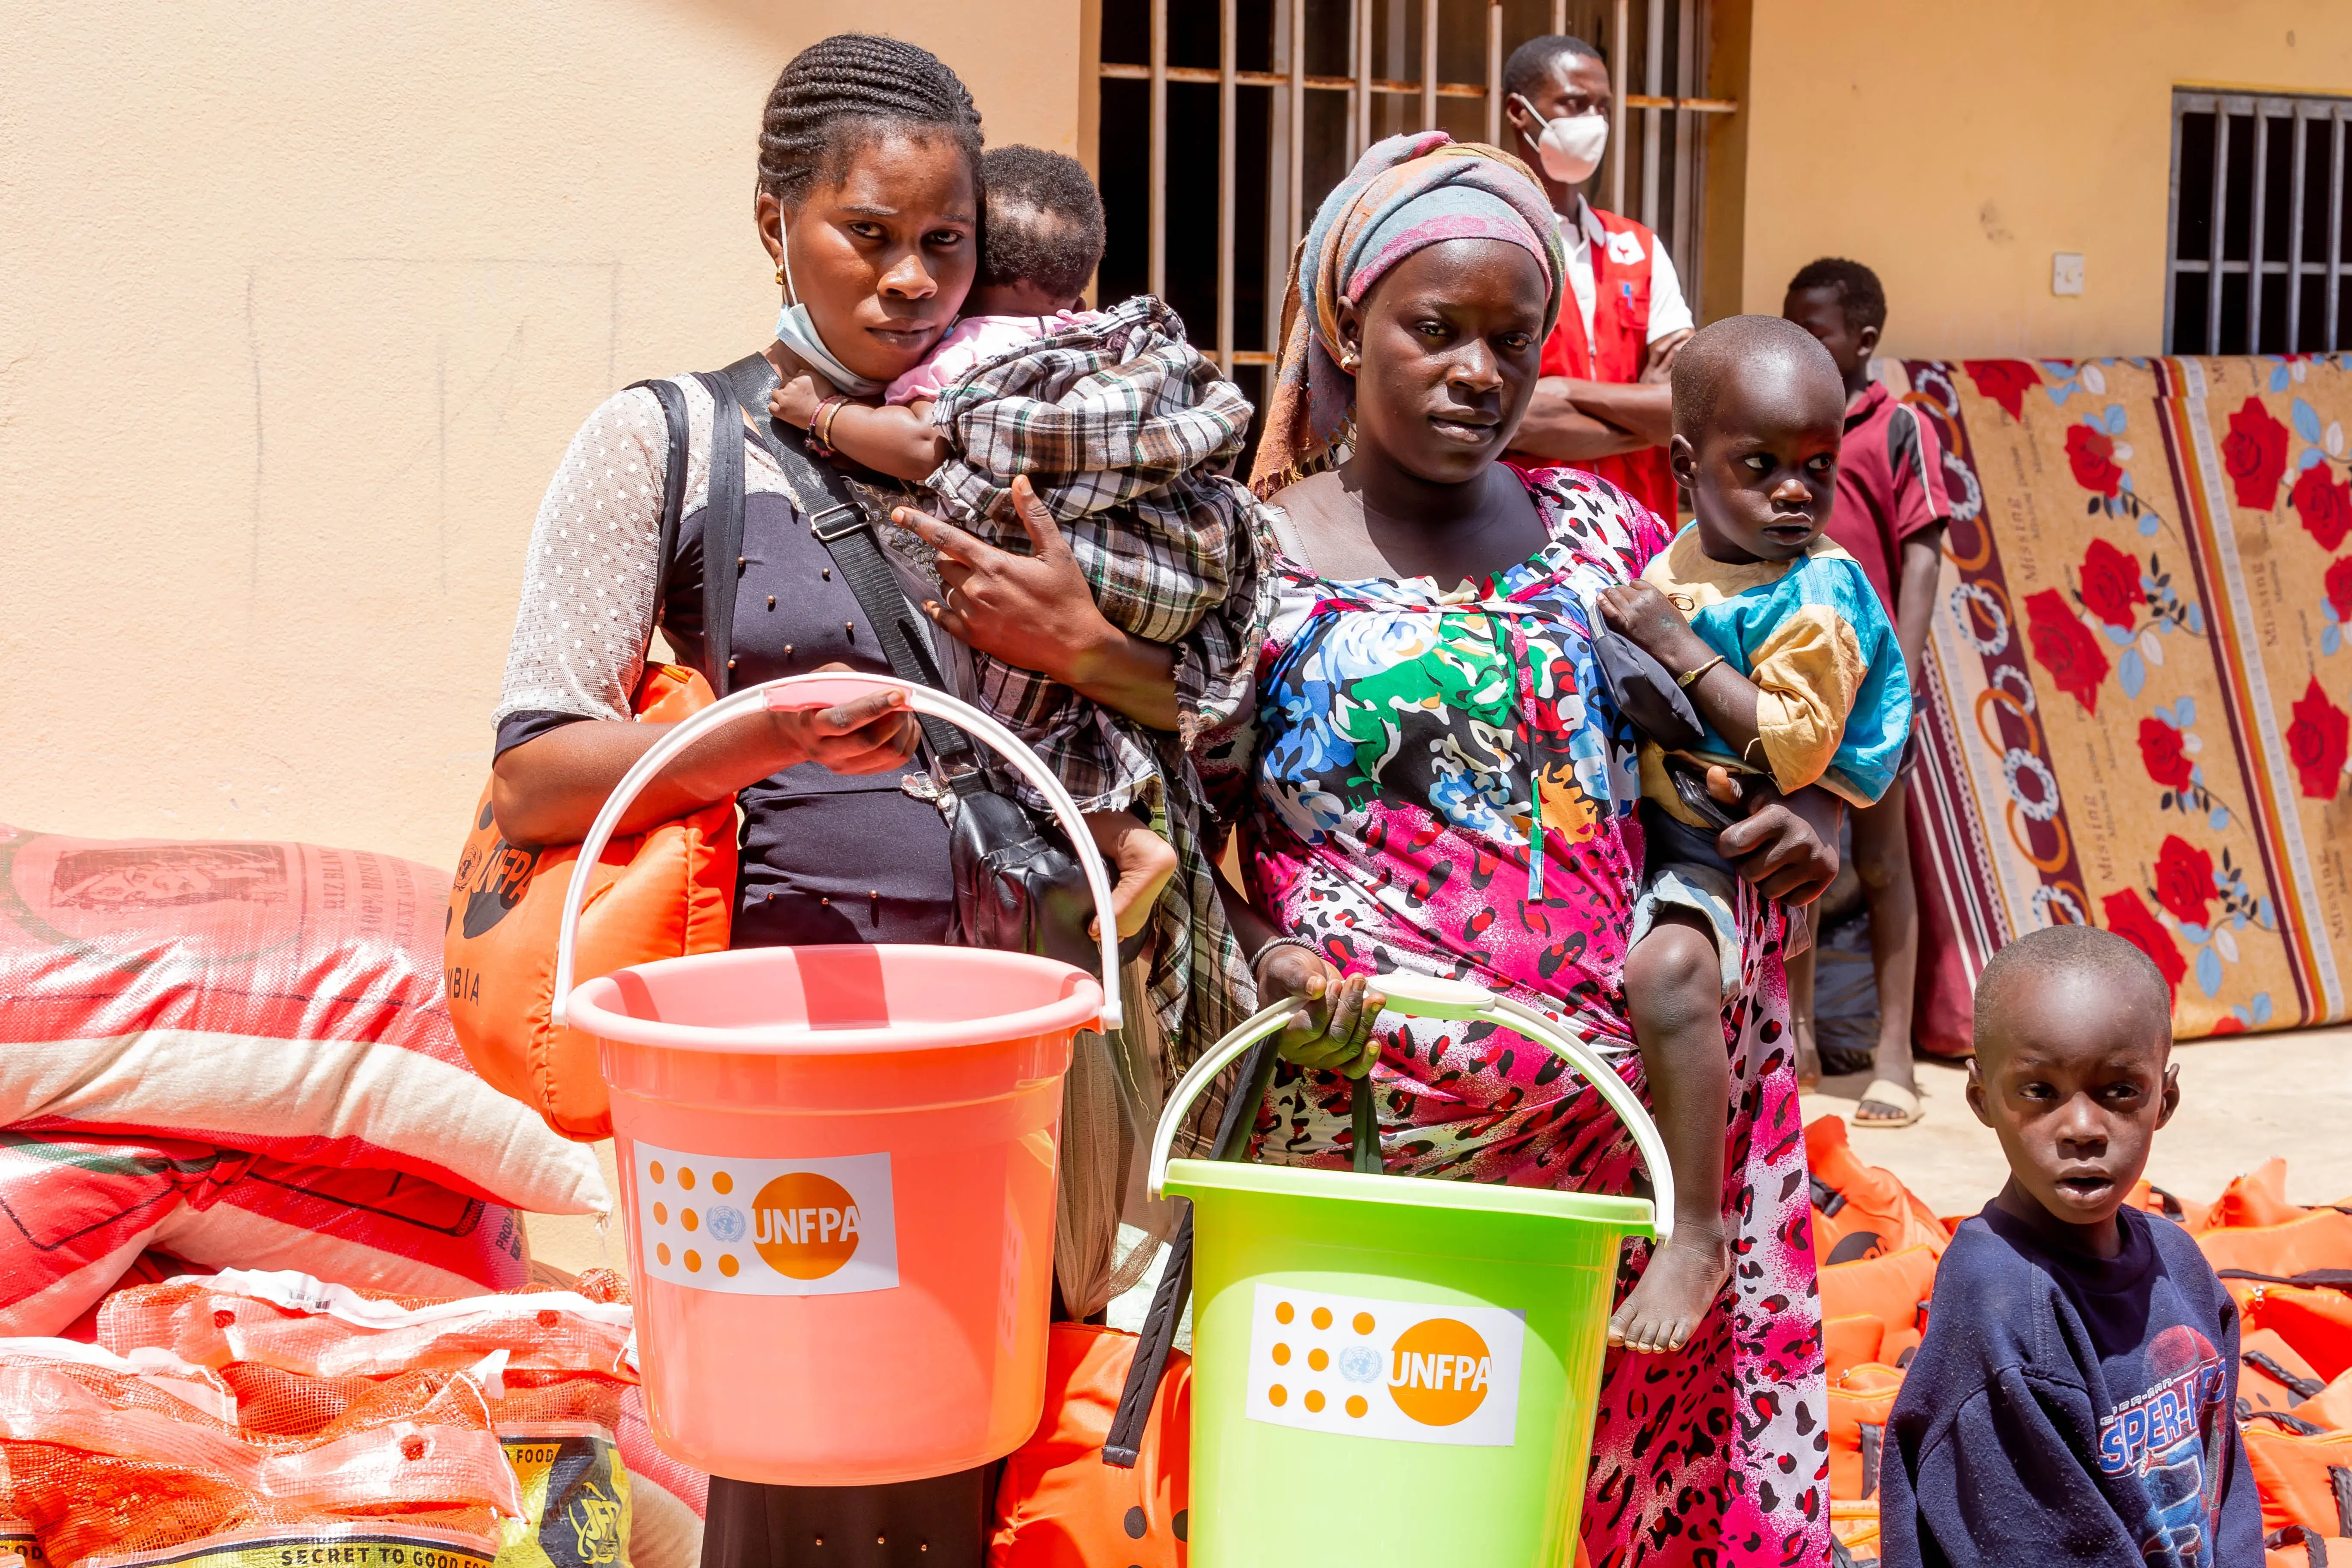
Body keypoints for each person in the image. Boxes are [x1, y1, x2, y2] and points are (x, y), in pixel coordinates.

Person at [488, 35, 1179, 1565]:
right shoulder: (668, 441)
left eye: (945, 246)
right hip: (771, 1069)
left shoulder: (1028, 452)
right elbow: (535, 768)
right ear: (771, 217)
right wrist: (761, 731)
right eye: (865, 235)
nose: (908, 281)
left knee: (967, 1458)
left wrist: (1090, 663)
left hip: (999, 1057)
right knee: (791, 1467)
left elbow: (1168, 700)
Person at [1207, 128, 1839, 1564]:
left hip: (1617, 1146)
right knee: (1387, 1497)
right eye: (1437, 330)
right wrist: (1263, 953)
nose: (1479, 373)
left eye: (1514, 338)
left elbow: (1718, 753)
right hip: (1370, 1127)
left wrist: (1791, 820)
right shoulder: (1262, 563)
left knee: (1604, 1486)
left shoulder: (1606, 537)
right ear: (1347, 321)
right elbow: (1181, 822)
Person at [1594, 315, 1911, 1353]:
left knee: (1669, 975)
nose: (1793, 493)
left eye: (1815, 470)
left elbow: (1788, 752)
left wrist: (1675, 647)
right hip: (1661, 816)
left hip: (1723, 840)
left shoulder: (1811, 594)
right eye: (1760, 465)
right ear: (1686, 465)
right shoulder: (1691, 552)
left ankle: (1698, 1229)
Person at [1879, 926, 2261, 1568]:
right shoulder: (1998, 1308)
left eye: (2119, 1091)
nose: (2082, 1129)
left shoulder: (2183, 1269)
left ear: (2163, 1098)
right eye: (2039, 1092)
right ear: (1981, 1098)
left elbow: (2227, 1488)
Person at [1782, 257, 1954, 1126]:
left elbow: (1922, 552)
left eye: (1815, 330)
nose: (1799, 344)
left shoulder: (1897, 431)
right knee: (1802, 862)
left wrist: (1907, 677)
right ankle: (1800, 1040)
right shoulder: (1785, 426)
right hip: (1795, 681)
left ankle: (1894, 1055)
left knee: (1883, 863)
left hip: (1873, 686)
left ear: (1864, 341)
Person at [769, 143, 1106, 485]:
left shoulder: (965, 357)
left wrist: (821, 411)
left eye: (944, 238)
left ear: (970, 275)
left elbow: (924, 447)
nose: (914, 282)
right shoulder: (1100, 340)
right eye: (867, 229)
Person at [1499, 34, 1694, 518]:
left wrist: (1566, 393)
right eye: (1574, 103)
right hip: (1527, 540)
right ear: (1519, 112)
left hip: (1640, 535)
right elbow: (1514, 419)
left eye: (1602, 108)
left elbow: (1688, 409)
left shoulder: (1639, 247)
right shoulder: (1491, 243)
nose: (1595, 122)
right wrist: (1643, 415)